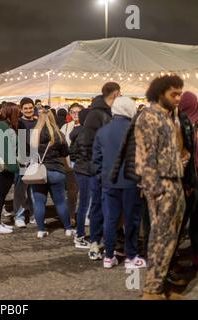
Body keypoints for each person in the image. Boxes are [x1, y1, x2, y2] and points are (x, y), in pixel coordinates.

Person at [136, 75, 186, 300]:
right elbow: (145, 158)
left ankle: (161, 287)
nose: (178, 98)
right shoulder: (149, 117)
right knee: (159, 239)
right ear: (159, 93)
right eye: (173, 94)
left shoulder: (168, 117)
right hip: (161, 186)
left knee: (170, 240)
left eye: (180, 93)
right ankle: (151, 290)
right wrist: (155, 190)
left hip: (175, 182)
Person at [93, 97, 146, 269]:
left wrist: (103, 177)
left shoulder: (102, 132)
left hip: (109, 182)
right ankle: (131, 256)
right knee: (131, 219)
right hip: (132, 182)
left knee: (110, 219)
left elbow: (96, 161)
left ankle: (109, 256)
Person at [82, 82, 121, 260]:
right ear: (115, 93)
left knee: (112, 208)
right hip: (99, 170)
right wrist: (96, 168)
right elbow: (88, 145)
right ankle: (95, 242)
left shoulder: (112, 112)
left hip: (113, 170)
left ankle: (111, 242)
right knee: (97, 206)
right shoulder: (95, 115)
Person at [30, 110, 73, 239]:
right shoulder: (58, 134)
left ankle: (41, 230)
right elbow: (65, 153)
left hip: (39, 172)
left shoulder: (34, 134)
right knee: (60, 201)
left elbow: (30, 154)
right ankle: (68, 228)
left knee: (39, 202)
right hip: (56, 170)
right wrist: (68, 168)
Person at [177, 92, 198, 272]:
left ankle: (196, 257)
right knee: (180, 225)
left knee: (196, 220)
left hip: (193, 180)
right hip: (186, 183)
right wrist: (188, 184)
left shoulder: (189, 124)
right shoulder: (181, 127)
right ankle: (172, 263)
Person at [0, 102, 20, 234]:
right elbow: (3, 149)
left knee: (0, 194)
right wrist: (14, 166)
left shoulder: (2, 125)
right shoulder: (2, 126)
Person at [69, 108, 91, 249]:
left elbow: (72, 154)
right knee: (85, 203)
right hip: (86, 171)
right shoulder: (87, 134)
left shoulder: (76, 133)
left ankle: (81, 234)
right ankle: (80, 235)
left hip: (80, 169)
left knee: (84, 202)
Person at [14, 97, 37, 228]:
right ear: (21, 109)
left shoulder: (38, 122)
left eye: (30, 108)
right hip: (22, 158)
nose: (28, 110)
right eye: (26, 108)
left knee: (35, 189)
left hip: (35, 158)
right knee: (20, 189)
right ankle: (19, 215)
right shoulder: (17, 123)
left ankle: (35, 215)